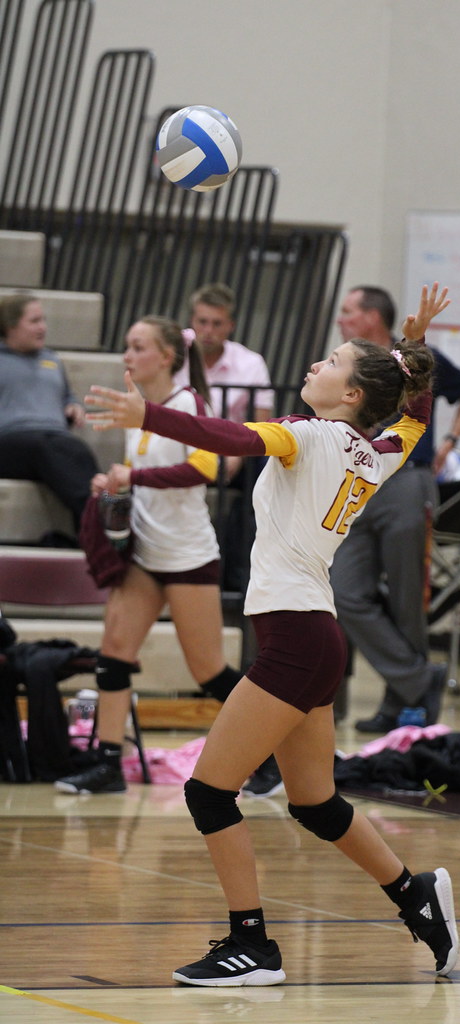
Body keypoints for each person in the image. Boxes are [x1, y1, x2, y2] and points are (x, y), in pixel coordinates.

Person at [83, 283, 459, 986]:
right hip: (316, 637)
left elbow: (227, 438)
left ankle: (251, 945)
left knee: (209, 791)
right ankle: (415, 895)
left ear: (349, 396)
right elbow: (410, 417)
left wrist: (152, 414)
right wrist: (412, 352)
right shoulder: (371, 453)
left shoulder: (309, 436)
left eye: (333, 360)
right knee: (314, 803)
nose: (317, 363)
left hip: (293, 639)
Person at [54, 316, 242, 795]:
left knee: (209, 671)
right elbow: (137, 476)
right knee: (113, 656)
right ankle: (108, 764)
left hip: (187, 556)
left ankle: (270, 754)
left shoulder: (188, 404)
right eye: (126, 346)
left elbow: (205, 468)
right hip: (143, 553)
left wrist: (132, 478)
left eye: (138, 347)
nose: (127, 356)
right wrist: (113, 483)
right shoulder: (136, 408)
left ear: (166, 357)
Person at [331, 284, 460, 734]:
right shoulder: (349, 360)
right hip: (357, 484)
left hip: (405, 482)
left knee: (405, 598)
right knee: (345, 593)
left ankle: (402, 704)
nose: (341, 319)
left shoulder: (413, 358)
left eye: (349, 312)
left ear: (373, 318)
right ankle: (419, 681)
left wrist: (452, 439)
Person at [174, 282, 274, 597]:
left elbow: (263, 421)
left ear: (230, 325)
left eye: (217, 323)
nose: (208, 331)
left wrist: (238, 454)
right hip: (178, 446)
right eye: (202, 322)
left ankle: (237, 576)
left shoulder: (251, 362)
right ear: (191, 320)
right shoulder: (173, 354)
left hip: (232, 451)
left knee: (265, 470)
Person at [0, 292, 100, 540]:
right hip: (11, 440)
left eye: (43, 320)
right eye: (34, 321)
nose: (43, 327)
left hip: (54, 439)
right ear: (10, 326)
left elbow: (68, 397)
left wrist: (73, 406)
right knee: (45, 446)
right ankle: (97, 517)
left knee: (78, 450)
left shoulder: (52, 360)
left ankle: (93, 523)